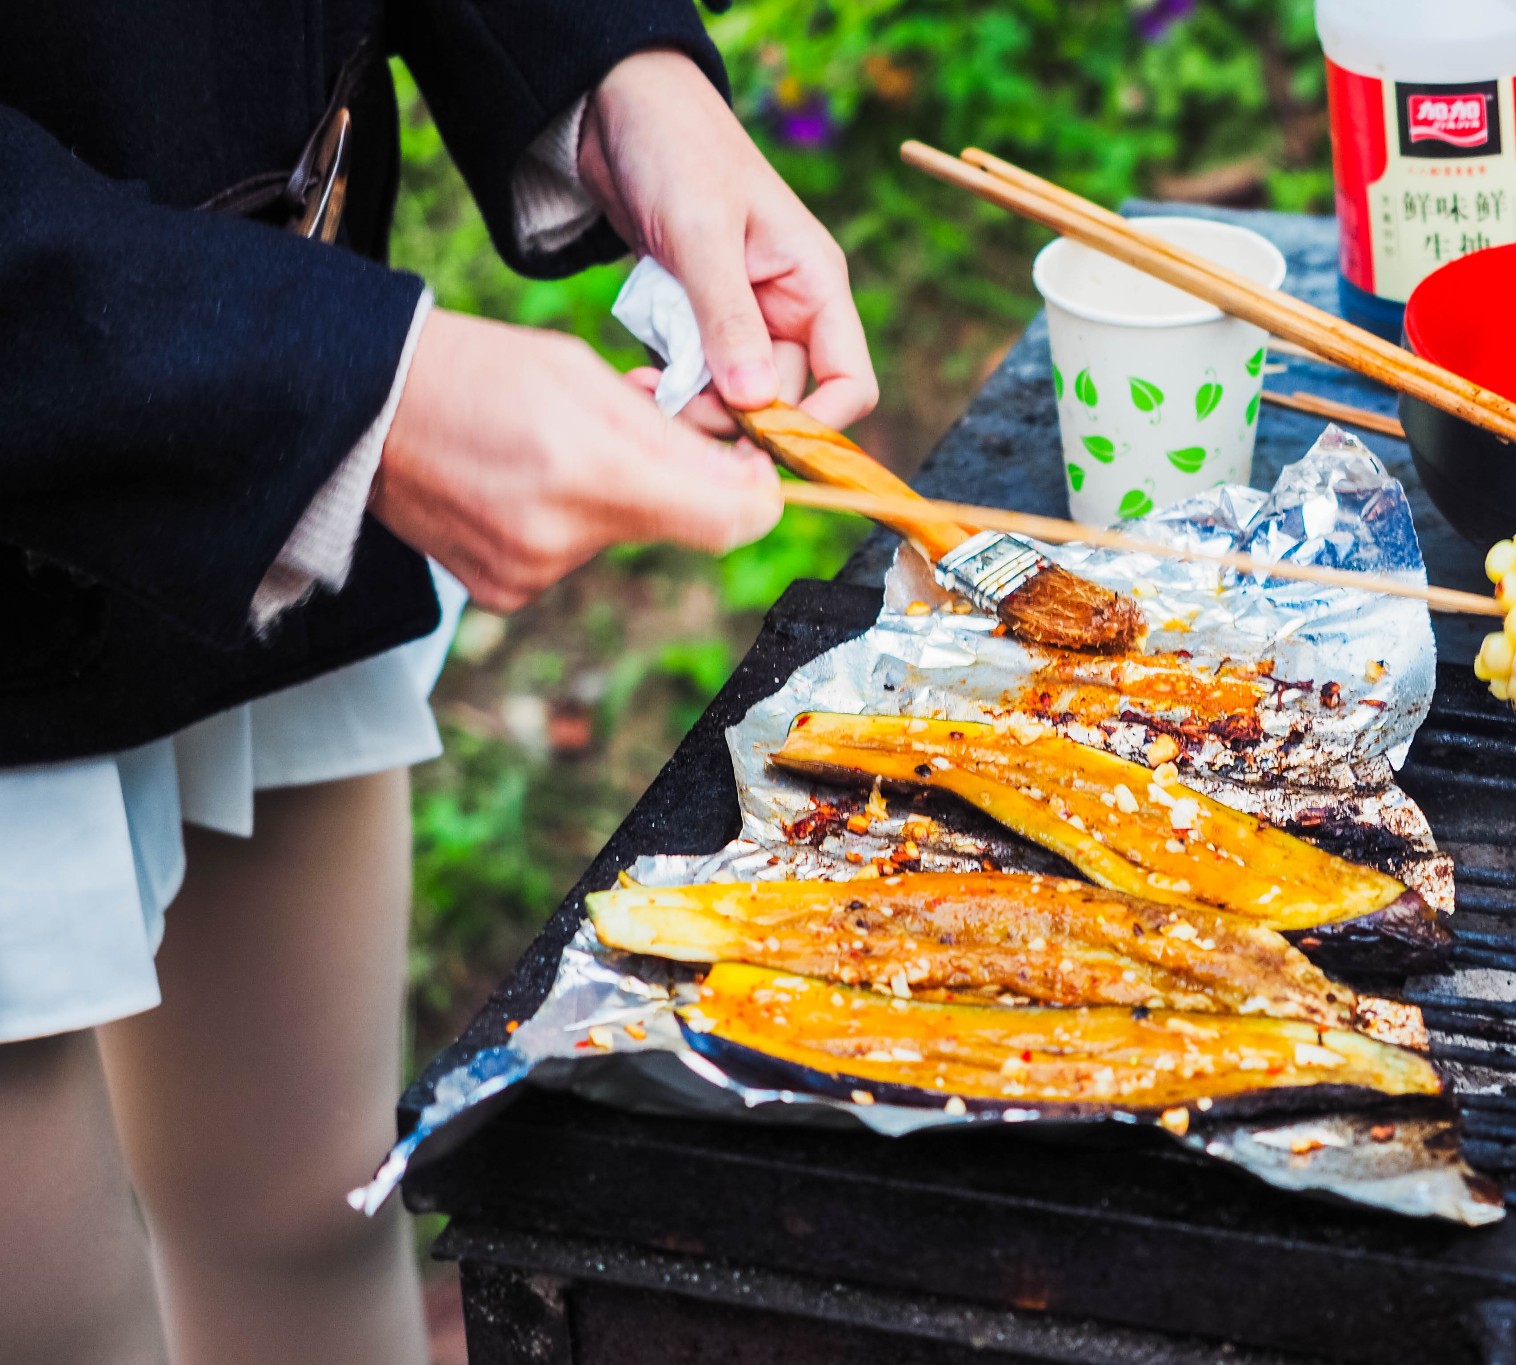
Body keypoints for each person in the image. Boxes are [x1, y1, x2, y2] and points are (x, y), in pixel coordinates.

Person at [0, 6, 876, 1363]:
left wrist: (612, 77)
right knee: (50, 1315)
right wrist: (339, 392)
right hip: (144, 366)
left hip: (282, 347)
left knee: (313, 1219)